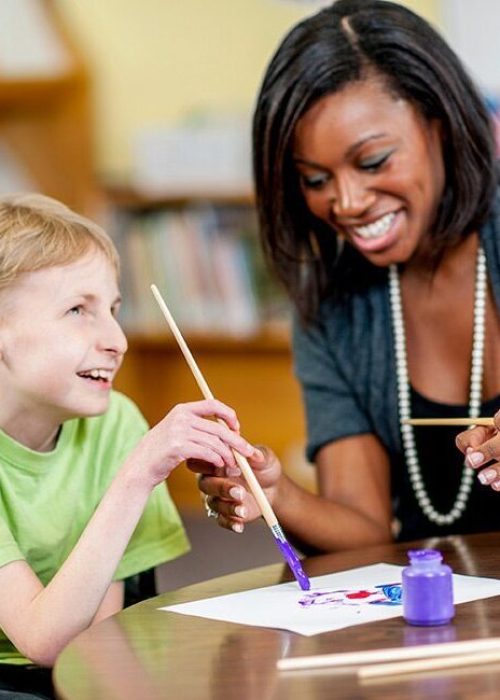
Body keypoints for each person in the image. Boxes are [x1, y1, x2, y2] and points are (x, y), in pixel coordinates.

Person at [192, 0, 500, 554]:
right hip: (444, 621)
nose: (347, 202)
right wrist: (275, 491)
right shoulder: (334, 304)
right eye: (314, 179)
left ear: (442, 126)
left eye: (374, 161)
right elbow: (365, 530)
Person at [0, 193, 257, 697]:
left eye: (114, 309)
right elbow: (42, 641)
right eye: (78, 309)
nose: (117, 339)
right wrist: (139, 473)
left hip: (77, 666)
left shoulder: (115, 422)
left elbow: (94, 641)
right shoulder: (129, 447)